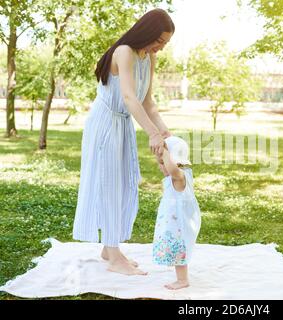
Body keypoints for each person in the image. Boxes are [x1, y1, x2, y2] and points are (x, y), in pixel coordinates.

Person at [73, 8, 174, 276]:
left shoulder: (148, 58)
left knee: (123, 183)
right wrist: (151, 134)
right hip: (105, 124)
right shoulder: (124, 52)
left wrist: (165, 132)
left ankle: (110, 249)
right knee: (108, 184)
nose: (161, 48)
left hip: (123, 124)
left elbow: (147, 102)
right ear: (149, 32)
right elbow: (129, 98)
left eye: (165, 44)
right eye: (160, 41)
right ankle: (114, 255)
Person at [152, 136, 201, 290]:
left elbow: (172, 169)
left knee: (180, 249)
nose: (160, 167)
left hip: (180, 223)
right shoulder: (176, 176)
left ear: (174, 161)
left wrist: (165, 153)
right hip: (174, 221)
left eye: (162, 163)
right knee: (176, 247)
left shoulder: (179, 176)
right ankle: (180, 275)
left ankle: (182, 280)